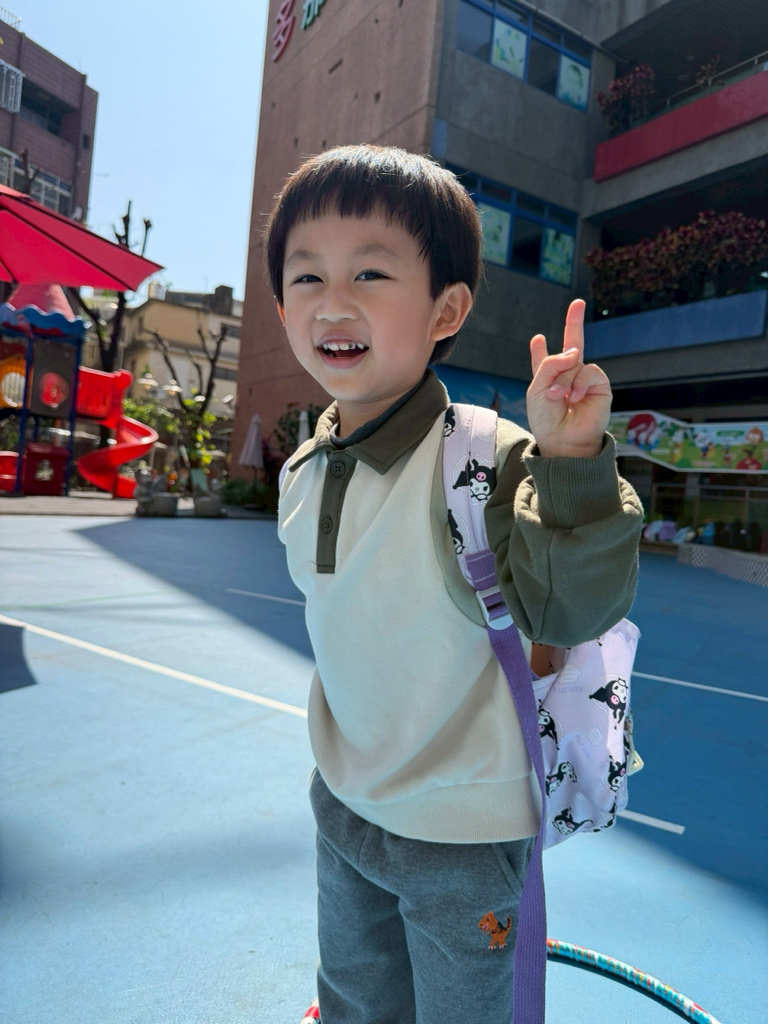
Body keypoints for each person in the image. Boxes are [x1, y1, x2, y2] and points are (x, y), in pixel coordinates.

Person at [269, 145, 643, 1024]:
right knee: (355, 1003)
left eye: (370, 271)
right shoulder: (302, 468)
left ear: (447, 308)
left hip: (463, 833)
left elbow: (570, 608)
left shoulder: (486, 457)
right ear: (281, 306)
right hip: (344, 802)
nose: (333, 301)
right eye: (307, 275)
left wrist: (569, 460)